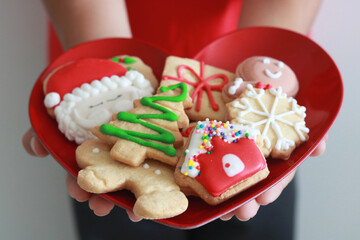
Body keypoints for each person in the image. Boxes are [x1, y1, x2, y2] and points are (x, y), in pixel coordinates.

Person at [23, 0, 326, 239]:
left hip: (241, 65)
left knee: (252, 211)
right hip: (102, 47)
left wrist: (263, 72)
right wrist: (105, 56)